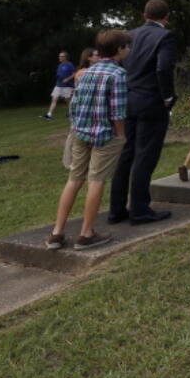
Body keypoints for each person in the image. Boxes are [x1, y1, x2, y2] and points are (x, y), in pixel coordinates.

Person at [45, 29, 130, 251]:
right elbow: (117, 111)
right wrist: (121, 135)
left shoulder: (84, 73)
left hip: (80, 132)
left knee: (74, 179)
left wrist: (75, 128)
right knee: (97, 180)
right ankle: (86, 233)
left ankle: (57, 232)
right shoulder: (117, 74)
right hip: (105, 134)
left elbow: (75, 104)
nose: (129, 50)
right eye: (127, 47)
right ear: (119, 49)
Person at [109, 0, 179, 225]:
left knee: (126, 154)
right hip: (151, 100)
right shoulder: (165, 37)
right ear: (166, 17)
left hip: (127, 99)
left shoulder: (128, 36)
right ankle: (140, 209)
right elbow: (163, 67)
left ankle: (116, 208)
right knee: (145, 154)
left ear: (144, 15)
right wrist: (167, 96)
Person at [42, 51, 76, 120]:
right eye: (59, 56)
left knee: (68, 100)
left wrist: (67, 79)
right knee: (54, 99)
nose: (59, 57)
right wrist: (59, 78)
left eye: (61, 56)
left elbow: (74, 74)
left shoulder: (70, 64)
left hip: (67, 86)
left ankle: (71, 113)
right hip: (58, 85)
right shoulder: (59, 65)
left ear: (65, 57)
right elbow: (58, 75)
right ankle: (49, 114)